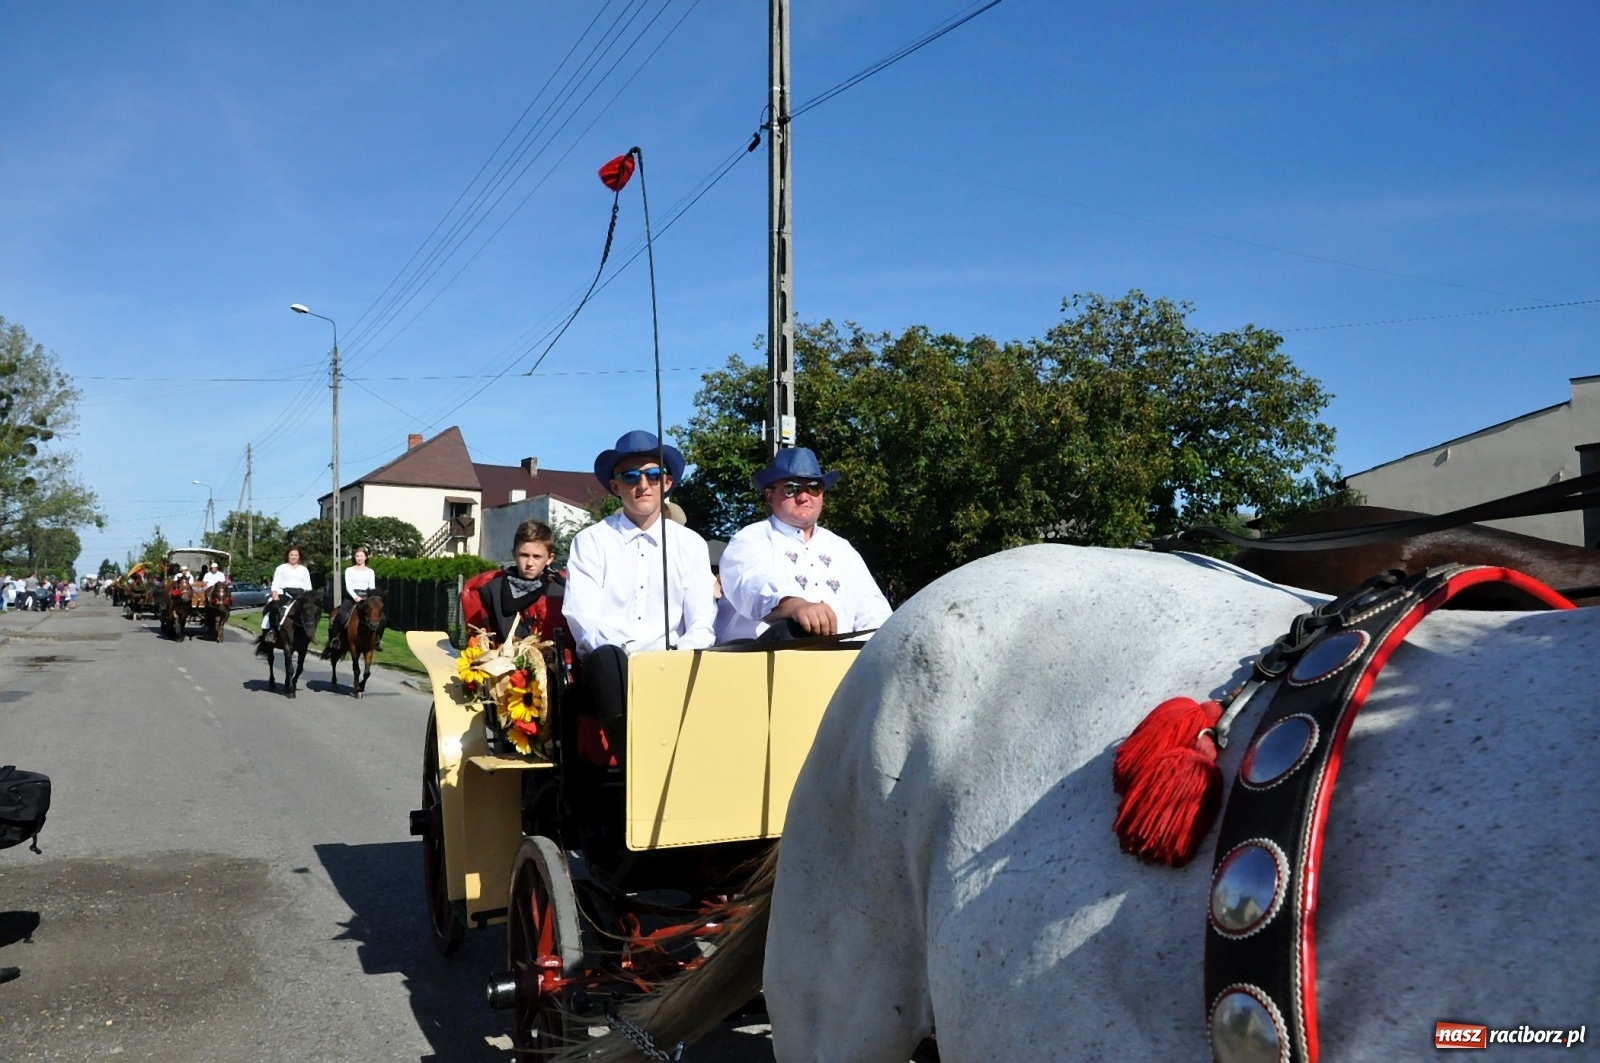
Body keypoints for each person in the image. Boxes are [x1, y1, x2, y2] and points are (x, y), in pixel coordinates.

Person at [564, 429, 716, 762]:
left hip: (674, 667)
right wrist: (631, 658)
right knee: (605, 657)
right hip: (610, 673)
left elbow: (702, 621)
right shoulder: (591, 541)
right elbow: (583, 617)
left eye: (652, 474)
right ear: (616, 486)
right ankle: (639, 765)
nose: (642, 484)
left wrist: (671, 659)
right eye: (631, 476)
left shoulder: (691, 545)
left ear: (667, 482)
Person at [717, 446, 892, 643]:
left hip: (840, 666)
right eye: (791, 488)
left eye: (813, 488)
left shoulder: (842, 549)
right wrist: (793, 605)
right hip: (762, 663)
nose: (803, 497)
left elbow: (873, 612)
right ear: (769, 496)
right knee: (788, 630)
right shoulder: (751, 540)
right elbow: (752, 584)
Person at [462, 519, 566, 647]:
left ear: (549, 559)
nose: (529, 563)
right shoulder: (492, 590)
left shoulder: (560, 591)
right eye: (524, 555)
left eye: (537, 557)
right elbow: (480, 637)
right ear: (514, 554)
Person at [326, 546, 382, 654]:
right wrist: (355, 597)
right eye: (357, 556)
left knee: (381, 618)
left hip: (366, 597)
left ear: (366, 557)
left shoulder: (370, 571)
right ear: (354, 558)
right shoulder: (349, 570)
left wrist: (370, 598)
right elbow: (349, 586)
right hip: (352, 597)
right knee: (340, 615)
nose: (359, 558)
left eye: (361, 556)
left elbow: (372, 587)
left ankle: (377, 640)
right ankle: (336, 639)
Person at [262, 546, 313, 643]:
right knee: (274, 607)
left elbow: (308, 586)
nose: (294, 557)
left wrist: (308, 598)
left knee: (311, 611)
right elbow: (275, 583)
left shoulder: (304, 570)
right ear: (288, 556)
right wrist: (274, 593)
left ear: (299, 557)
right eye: (292, 555)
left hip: (300, 595)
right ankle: (272, 631)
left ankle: (310, 633)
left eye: (296, 555)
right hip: (284, 594)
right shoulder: (280, 568)